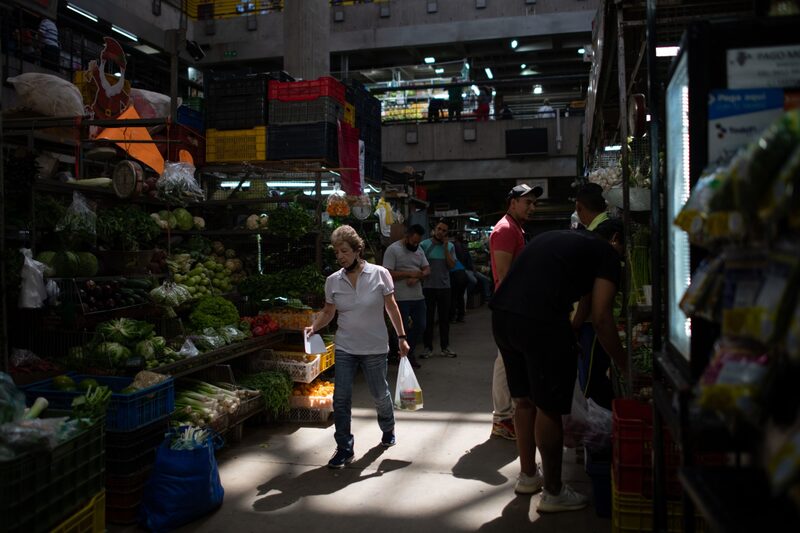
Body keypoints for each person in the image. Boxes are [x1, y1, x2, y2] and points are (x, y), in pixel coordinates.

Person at [490, 229, 627, 512]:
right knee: (548, 407)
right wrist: (625, 365)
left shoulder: (564, 242)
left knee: (524, 400)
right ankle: (553, 491)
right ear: (617, 242)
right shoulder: (609, 256)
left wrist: (571, 332)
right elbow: (601, 317)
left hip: (503, 315)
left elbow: (586, 303)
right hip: (538, 321)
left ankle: (528, 476)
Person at [305, 225, 410, 469]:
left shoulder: (380, 274)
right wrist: (314, 327)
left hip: (374, 348)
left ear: (356, 250)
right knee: (340, 399)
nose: (340, 256)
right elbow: (329, 312)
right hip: (345, 348)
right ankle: (344, 447)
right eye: (336, 252)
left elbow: (391, 307)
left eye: (344, 251)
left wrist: (402, 336)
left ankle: (388, 427)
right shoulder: (333, 281)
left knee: (379, 394)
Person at [489, 184, 541, 451]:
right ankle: (502, 418)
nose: (531, 207)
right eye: (527, 202)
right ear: (512, 203)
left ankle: (504, 416)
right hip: (510, 308)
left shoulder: (515, 228)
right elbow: (505, 274)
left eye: (534, 203)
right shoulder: (506, 230)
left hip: (514, 307)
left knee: (506, 362)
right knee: (504, 363)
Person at [571, 183, 616, 409]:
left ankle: (600, 435)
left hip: (592, 322)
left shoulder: (597, 237)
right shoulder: (608, 228)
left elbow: (588, 290)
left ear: (579, 207)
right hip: (599, 318)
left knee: (593, 380)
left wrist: (577, 321)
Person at [383, 224, 430, 370]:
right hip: (400, 297)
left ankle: (408, 352)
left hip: (417, 296)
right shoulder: (393, 250)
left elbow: (427, 268)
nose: (416, 245)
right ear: (407, 236)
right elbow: (387, 273)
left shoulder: (419, 250)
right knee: (400, 329)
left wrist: (418, 276)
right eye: (413, 242)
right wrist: (409, 274)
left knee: (421, 325)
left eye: (418, 242)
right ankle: (402, 356)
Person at [419, 219, 458, 358]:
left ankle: (445, 347)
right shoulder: (424, 245)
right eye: (439, 229)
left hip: (444, 287)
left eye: (444, 230)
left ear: (447, 233)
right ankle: (427, 348)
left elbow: (452, 265)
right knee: (428, 319)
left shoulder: (450, 247)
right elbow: (419, 265)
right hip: (428, 287)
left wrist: (446, 247)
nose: (441, 232)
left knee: (444, 319)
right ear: (434, 229)